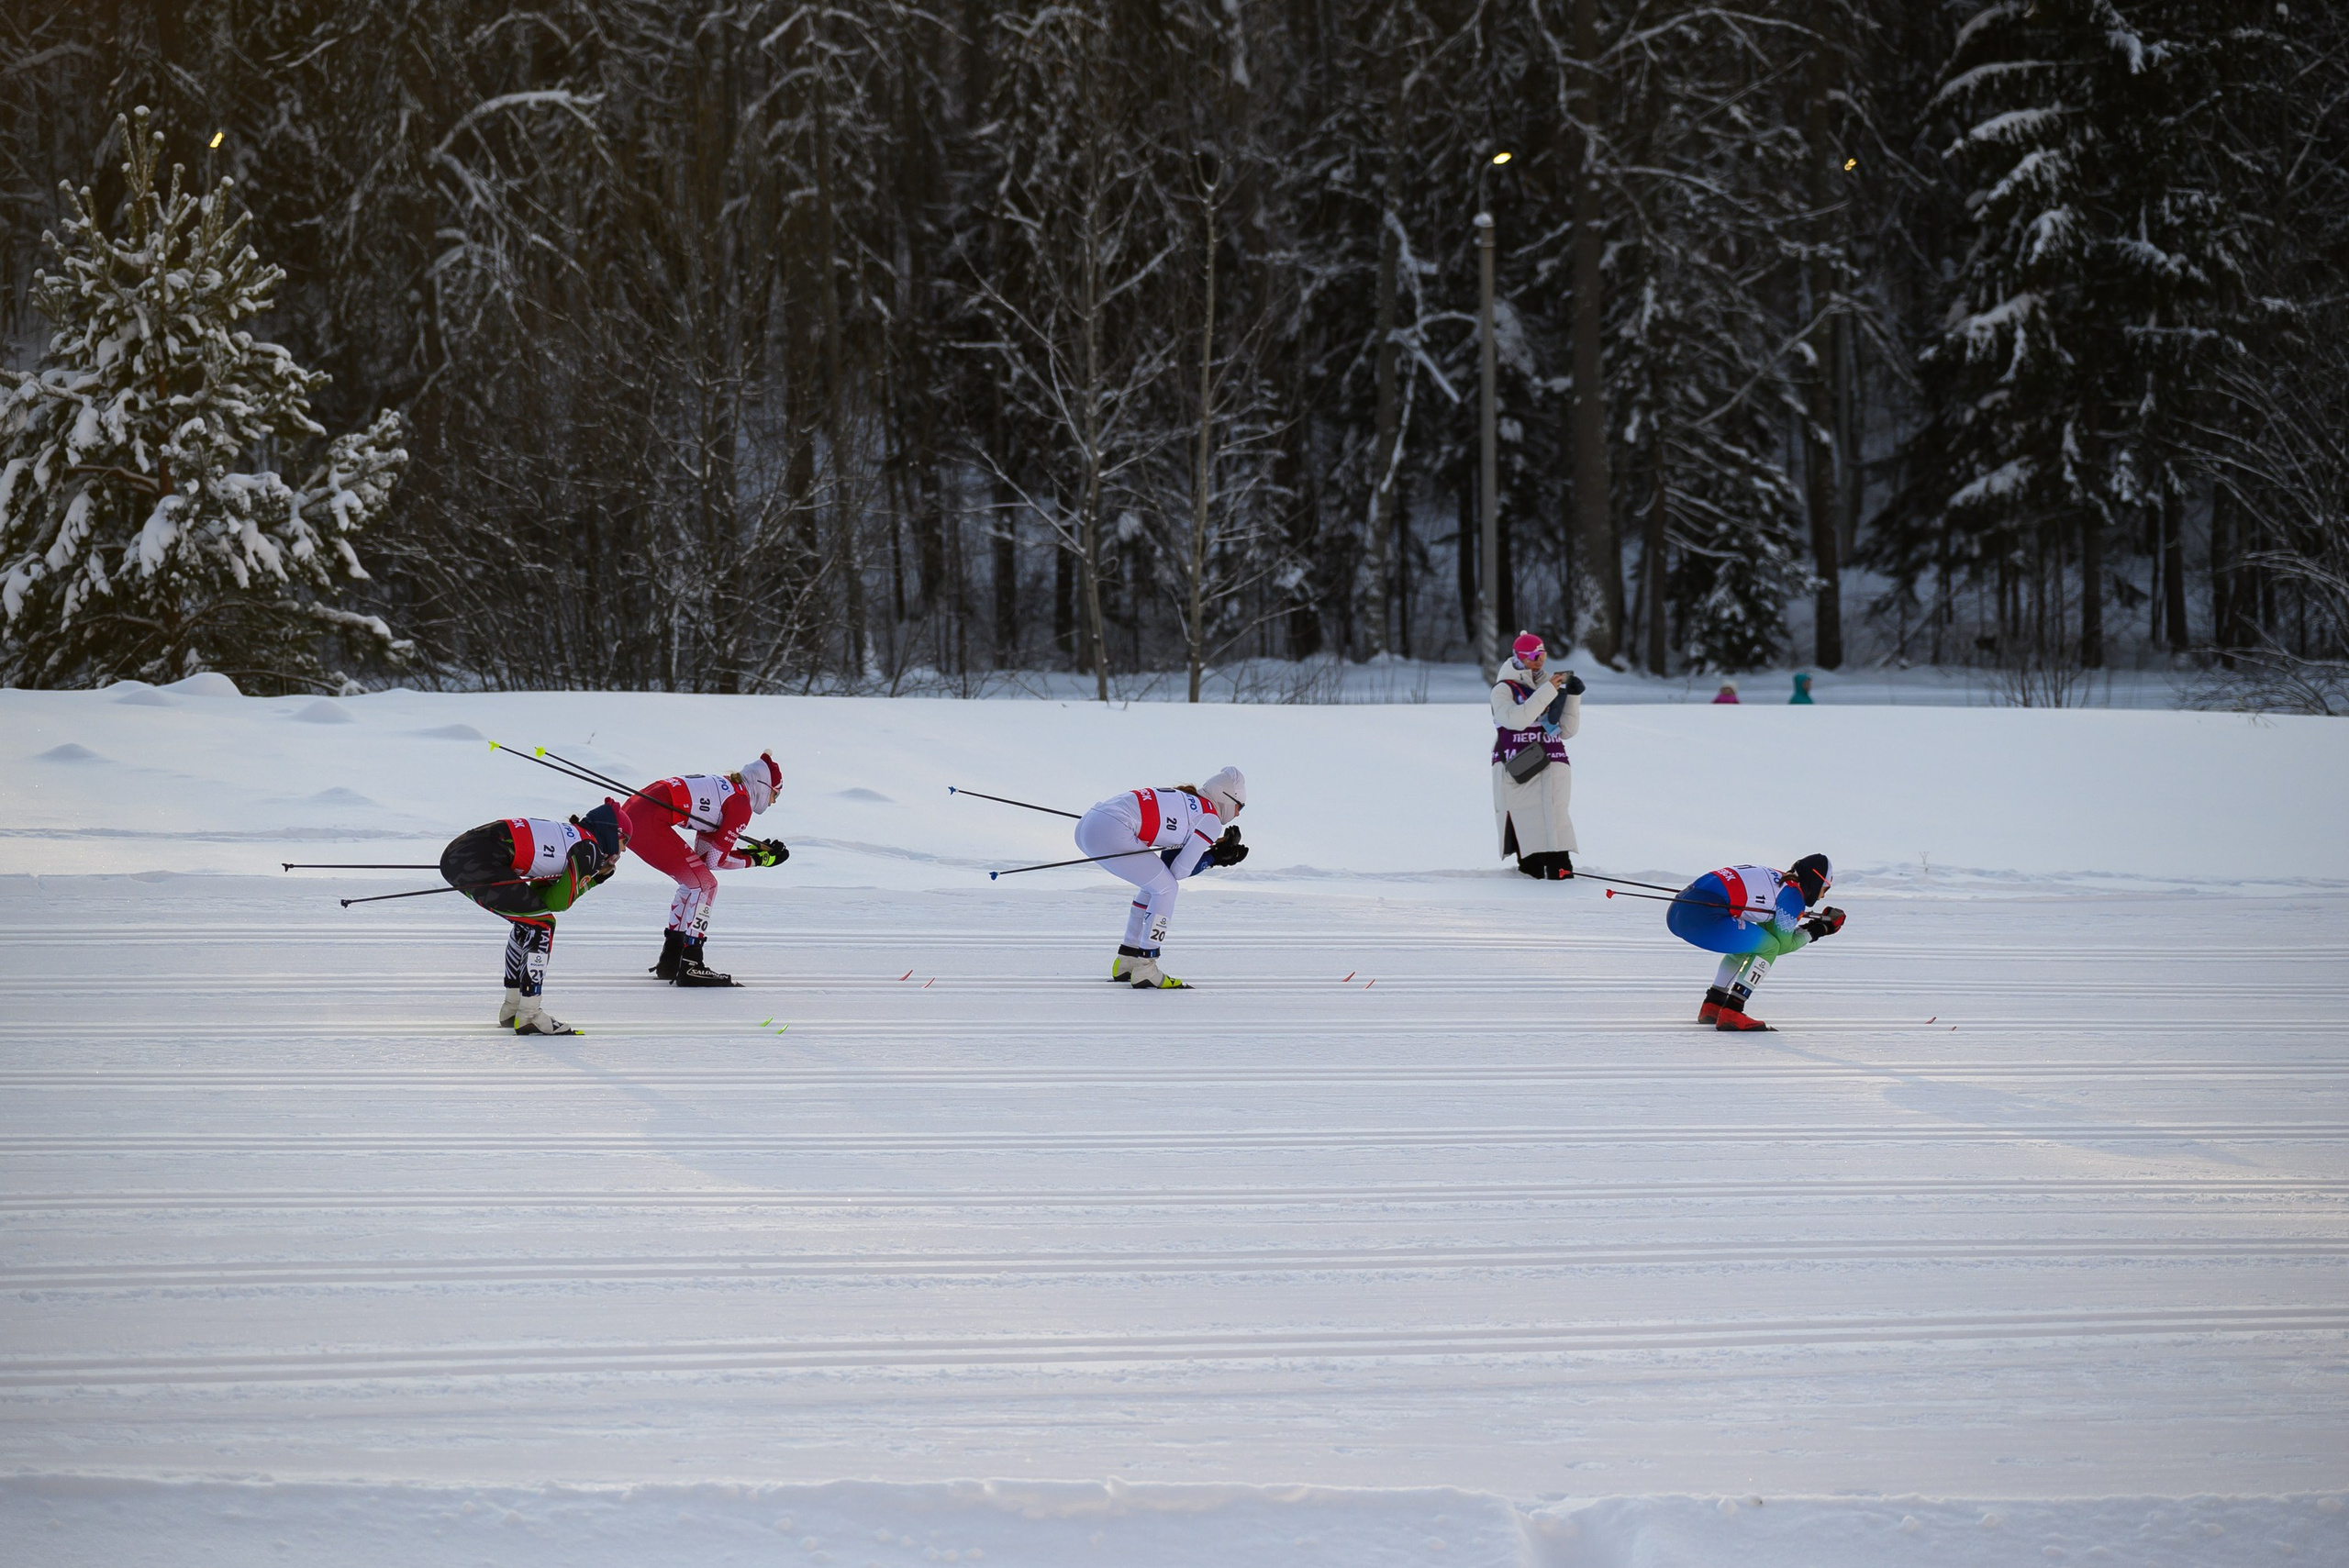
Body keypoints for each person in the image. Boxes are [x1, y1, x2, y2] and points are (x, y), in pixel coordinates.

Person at [439, 800, 631, 1036]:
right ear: (613, 833)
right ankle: (529, 1014)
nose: (624, 850)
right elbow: (559, 903)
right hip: (477, 858)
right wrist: (595, 880)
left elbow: (542, 901)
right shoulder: (590, 850)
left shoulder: (575, 837)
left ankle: (513, 1007)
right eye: (625, 841)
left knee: (530, 919)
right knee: (542, 924)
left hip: (462, 853)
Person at [1071, 767, 1249, 989]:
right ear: (1227, 798)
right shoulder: (1210, 819)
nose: (1238, 814)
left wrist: (1213, 855)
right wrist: (1214, 858)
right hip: (1112, 829)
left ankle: (1127, 960)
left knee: (1156, 884)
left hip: (1090, 822)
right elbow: (1179, 872)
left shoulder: (1189, 799)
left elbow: (1168, 867)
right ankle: (1146, 968)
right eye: (1240, 807)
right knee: (1167, 889)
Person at [626, 753, 788, 987]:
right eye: (776, 794)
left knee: (694, 882)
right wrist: (758, 860)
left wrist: (751, 855)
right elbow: (715, 861)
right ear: (764, 787)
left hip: (635, 815)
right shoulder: (740, 804)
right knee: (706, 886)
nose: (773, 802)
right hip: (647, 821)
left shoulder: (730, 789)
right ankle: (691, 963)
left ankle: (672, 959)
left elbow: (705, 859)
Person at [1664, 853, 1844, 1032]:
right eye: (1825, 889)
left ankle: (1713, 1004)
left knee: (1750, 944)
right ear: (1816, 881)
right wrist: (1820, 929)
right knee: (1770, 947)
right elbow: (1782, 945)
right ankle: (1733, 1011)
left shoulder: (1780, 881)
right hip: (1700, 918)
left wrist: (1814, 927)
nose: (1822, 896)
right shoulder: (1792, 897)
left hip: (1678, 911)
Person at [1490, 631, 1584, 879]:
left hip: (1553, 761)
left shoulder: (1548, 687)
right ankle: (1530, 878)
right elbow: (1516, 720)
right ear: (1518, 657)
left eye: (1543, 655)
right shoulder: (1503, 689)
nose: (1539, 661)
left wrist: (1573, 698)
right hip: (1519, 763)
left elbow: (1567, 730)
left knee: (1556, 818)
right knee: (1526, 822)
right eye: (1533, 656)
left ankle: (1561, 874)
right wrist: (1548, 691)